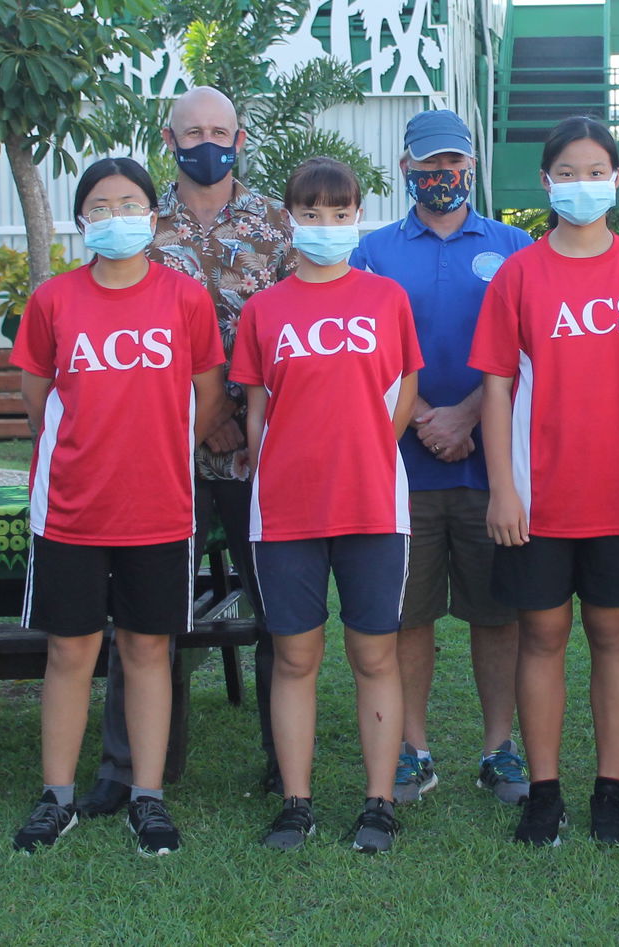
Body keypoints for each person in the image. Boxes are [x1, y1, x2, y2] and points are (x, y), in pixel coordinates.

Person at [77, 86, 297, 818]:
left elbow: (300, 321)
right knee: (144, 615)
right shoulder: (137, 218)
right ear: (168, 140)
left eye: (221, 129)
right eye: (193, 130)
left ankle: (282, 756)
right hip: (156, 455)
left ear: (240, 136)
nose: (209, 140)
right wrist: (205, 420)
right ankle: (133, 766)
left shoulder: (275, 221)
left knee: (278, 609)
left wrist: (233, 415)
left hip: (256, 450)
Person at [9, 157, 227, 856]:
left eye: (128, 203)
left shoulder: (184, 297)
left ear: (153, 216)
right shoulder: (54, 300)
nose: (114, 216)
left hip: (161, 506)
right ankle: (57, 796)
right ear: (81, 221)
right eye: (98, 206)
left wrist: (157, 446)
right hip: (71, 508)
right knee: (70, 651)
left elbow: (208, 392)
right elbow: (38, 393)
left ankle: (149, 797)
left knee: (147, 650)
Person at [469, 116, 619, 846]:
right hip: (538, 494)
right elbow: (495, 387)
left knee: (614, 632)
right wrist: (503, 487)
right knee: (542, 634)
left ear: (618, 180)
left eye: (597, 171)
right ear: (546, 181)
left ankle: (611, 787)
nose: (583, 183)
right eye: (569, 171)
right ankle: (546, 791)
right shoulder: (520, 272)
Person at [231, 157, 422, 854]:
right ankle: (296, 802)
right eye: (311, 213)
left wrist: (371, 447)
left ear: (357, 216)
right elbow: (257, 412)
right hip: (285, 510)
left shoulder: (386, 299)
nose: (326, 226)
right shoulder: (264, 308)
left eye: (340, 214)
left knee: (374, 652)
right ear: (289, 218)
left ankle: (377, 803)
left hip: (372, 502)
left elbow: (404, 389)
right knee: (295, 655)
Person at [349, 109, 534, 806]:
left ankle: (498, 747)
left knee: (497, 614)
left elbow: (527, 350)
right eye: (427, 164)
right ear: (404, 169)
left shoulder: (516, 246)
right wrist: (426, 414)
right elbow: (367, 352)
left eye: (453, 163)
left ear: (472, 166)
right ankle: (412, 747)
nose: (440, 176)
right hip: (403, 468)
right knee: (409, 614)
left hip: (493, 471)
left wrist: (467, 417)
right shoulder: (369, 251)